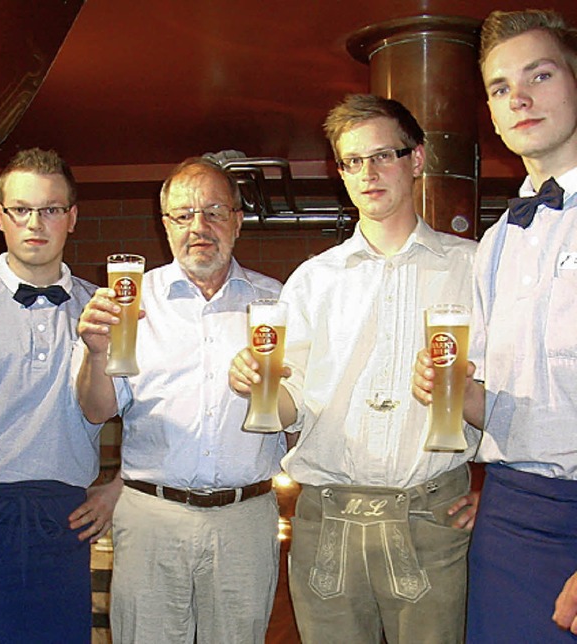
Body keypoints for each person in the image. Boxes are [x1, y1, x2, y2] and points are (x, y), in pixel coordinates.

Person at [229, 94, 478, 644]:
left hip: (432, 518)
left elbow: (509, 392)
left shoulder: (474, 268)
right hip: (327, 520)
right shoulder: (313, 280)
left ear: (416, 160)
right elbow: (288, 406)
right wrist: (257, 381)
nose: (368, 174)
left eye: (383, 155)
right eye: (352, 161)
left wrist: (497, 491)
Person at [413, 8, 577, 641]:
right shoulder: (497, 242)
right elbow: (498, 407)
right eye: (500, 88)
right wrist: (452, 390)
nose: (520, 99)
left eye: (540, 74)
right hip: (507, 514)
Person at [74, 157, 284, 644]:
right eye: (183, 215)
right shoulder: (129, 302)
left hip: (246, 520)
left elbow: (299, 416)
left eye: (214, 211)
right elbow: (95, 410)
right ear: (164, 224)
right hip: (152, 518)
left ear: (237, 219)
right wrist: (96, 351)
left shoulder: (275, 303)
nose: (199, 227)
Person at [0, 148, 100, 643]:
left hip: (64, 516)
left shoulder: (103, 308)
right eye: (21, 209)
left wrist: (121, 484)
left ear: (71, 218)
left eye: (50, 209)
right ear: (0, 217)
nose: (36, 223)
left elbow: (149, 413)